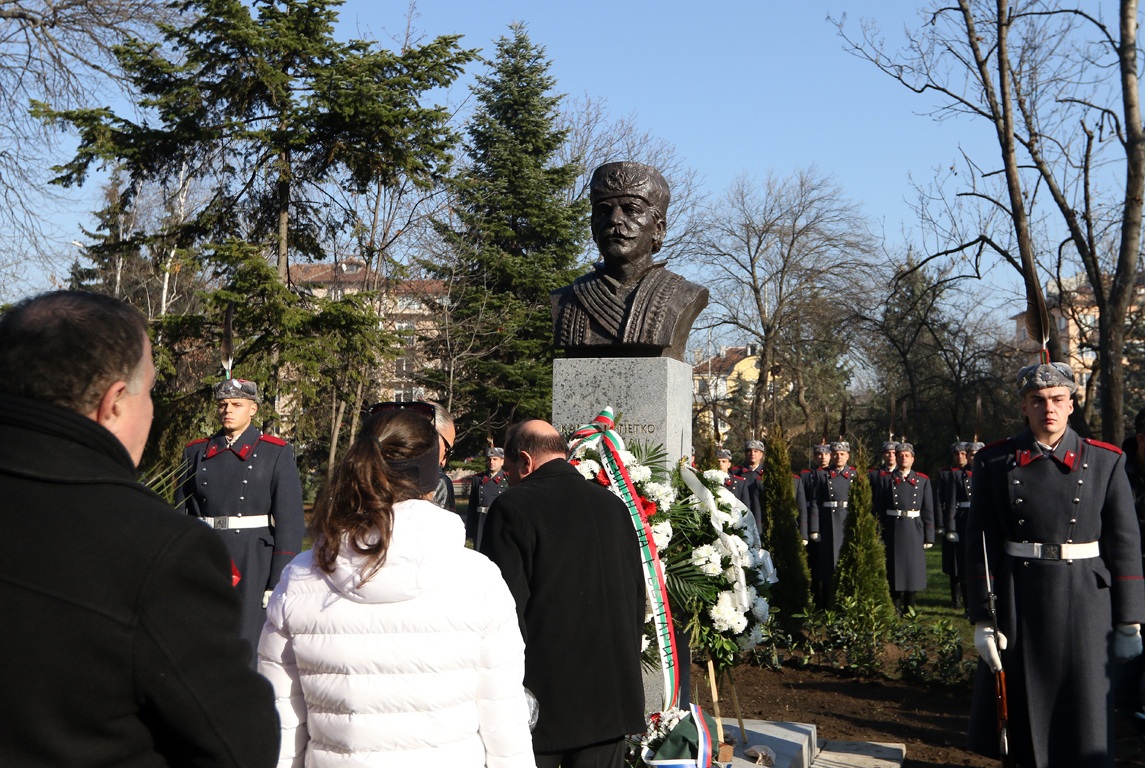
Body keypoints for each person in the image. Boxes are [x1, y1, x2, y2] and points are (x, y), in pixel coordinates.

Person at [0, 291, 277, 767]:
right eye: (148, 392)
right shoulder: (161, 550)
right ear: (113, 403)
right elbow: (237, 745)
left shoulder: (271, 453)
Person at [259, 408, 533, 768]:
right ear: (431, 477)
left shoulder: (300, 578)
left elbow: (281, 728)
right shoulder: (478, 579)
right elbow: (504, 726)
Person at [966, 360, 1145, 768]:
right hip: (1019, 596)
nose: (1048, 408)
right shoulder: (995, 462)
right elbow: (981, 542)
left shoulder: (1106, 460)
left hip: (1087, 598)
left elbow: (1124, 542)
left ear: (1071, 405)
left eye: (1057, 399)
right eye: (1038, 400)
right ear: (1024, 407)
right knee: (1024, 716)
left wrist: (1130, 619)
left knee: (1085, 712)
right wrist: (982, 618)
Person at [480, 420, 645, 768]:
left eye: (508, 469)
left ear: (525, 461)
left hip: (545, 706)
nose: (507, 476)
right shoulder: (614, 506)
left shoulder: (512, 508)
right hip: (610, 702)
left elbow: (500, 613)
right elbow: (635, 601)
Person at [176, 377, 305, 656]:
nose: (228, 410)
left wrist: (278, 579)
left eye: (237, 404)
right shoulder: (195, 452)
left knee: (247, 638)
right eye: (223, 404)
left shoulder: (275, 452)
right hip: (205, 553)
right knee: (200, 634)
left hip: (252, 558)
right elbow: (179, 515)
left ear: (253, 409)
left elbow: (290, 522)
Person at [551, 161, 708, 361]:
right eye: (603, 211)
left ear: (658, 229)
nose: (615, 219)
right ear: (593, 228)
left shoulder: (686, 295)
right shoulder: (564, 299)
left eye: (630, 210)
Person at [874, 442, 934, 615]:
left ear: (912, 459)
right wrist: (878, 531)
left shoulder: (922, 480)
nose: (903, 458)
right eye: (900, 455)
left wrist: (929, 536)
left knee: (912, 568)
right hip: (892, 527)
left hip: (914, 528)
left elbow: (928, 509)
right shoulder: (885, 480)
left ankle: (910, 607)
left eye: (906, 455)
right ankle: (895, 606)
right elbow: (878, 508)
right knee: (893, 568)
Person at [808, 441, 857, 607]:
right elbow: (815, 502)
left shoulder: (855, 475)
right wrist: (814, 528)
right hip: (827, 522)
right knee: (827, 564)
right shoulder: (823, 475)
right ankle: (825, 603)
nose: (838, 457)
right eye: (835, 454)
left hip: (847, 520)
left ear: (848, 456)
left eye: (842, 454)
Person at [938, 441, 971, 610]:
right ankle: (956, 599)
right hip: (958, 520)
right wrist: (947, 525)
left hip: (972, 519)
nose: (960, 457)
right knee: (956, 563)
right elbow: (945, 501)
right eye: (957, 454)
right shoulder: (949, 474)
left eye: (964, 454)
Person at [466, 445, 509, 548]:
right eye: (489, 459)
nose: (492, 462)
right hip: (481, 521)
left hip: (498, 521)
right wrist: (470, 530)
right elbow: (472, 505)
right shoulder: (478, 479)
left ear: (502, 462)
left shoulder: (507, 479)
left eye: (495, 459)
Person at [730, 439, 766, 533]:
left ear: (761, 454)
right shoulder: (736, 472)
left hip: (763, 518)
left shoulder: (767, 473)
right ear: (745, 454)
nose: (752, 454)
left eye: (756, 451)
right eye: (749, 451)